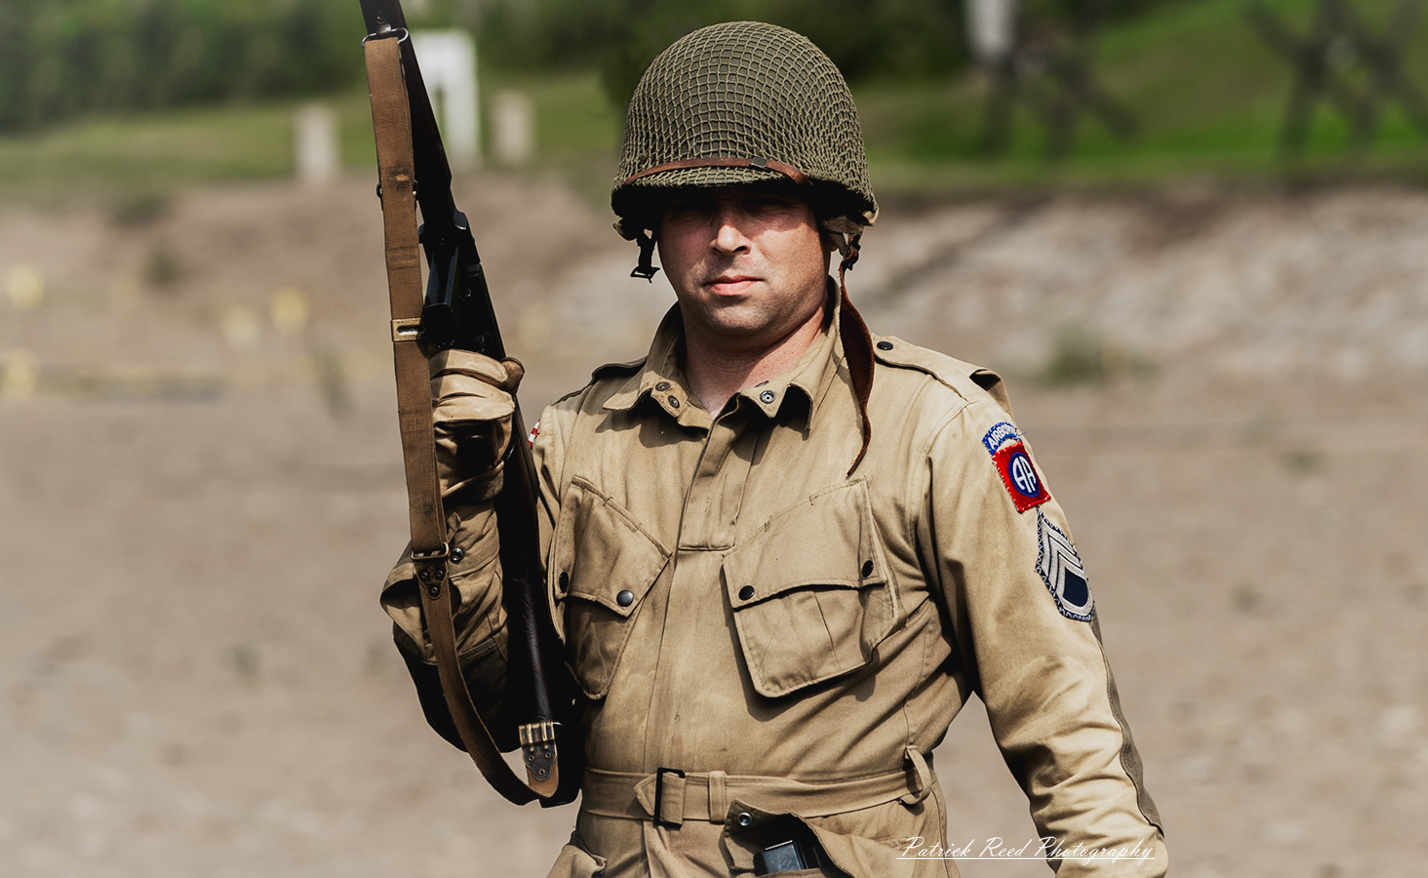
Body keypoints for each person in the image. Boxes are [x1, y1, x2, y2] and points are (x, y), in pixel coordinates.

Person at [378, 21, 1167, 878]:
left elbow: (1067, 723)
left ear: (831, 223)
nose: (726, 236)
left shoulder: (933, 430)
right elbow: (494, 717)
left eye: (762, 202)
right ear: (653, 231)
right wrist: (461, 492)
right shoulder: (577, 441)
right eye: (693, 208)